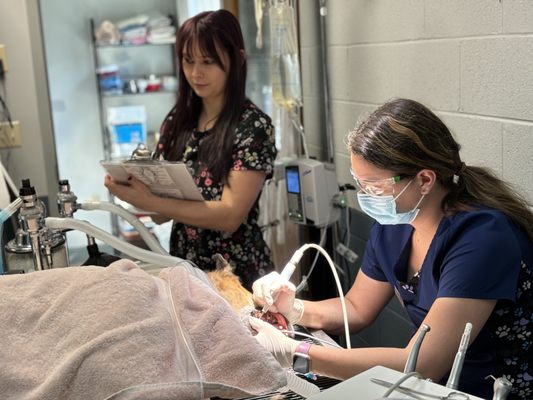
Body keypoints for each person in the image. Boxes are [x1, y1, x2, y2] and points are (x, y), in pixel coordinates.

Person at [250, 98, 533, 399]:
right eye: (360, 184)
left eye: (375, 188)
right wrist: (294, 309)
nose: (366, 196)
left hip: (499, 389)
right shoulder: (393, 226)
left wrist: (296, 353)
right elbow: (357, 308)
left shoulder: (482, 237)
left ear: (424, 180)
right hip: (442, 387)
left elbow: (424, 362)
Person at [105, 10, 277, 290]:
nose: (196, 73)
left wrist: (151, 202)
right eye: (188, 60)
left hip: (237, 275)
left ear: (237, 60)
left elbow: (231, 215)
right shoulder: (178, 122)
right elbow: (161, 215)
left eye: (208, 62)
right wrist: (135, 191)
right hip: (185, 270)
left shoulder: (253, 125)